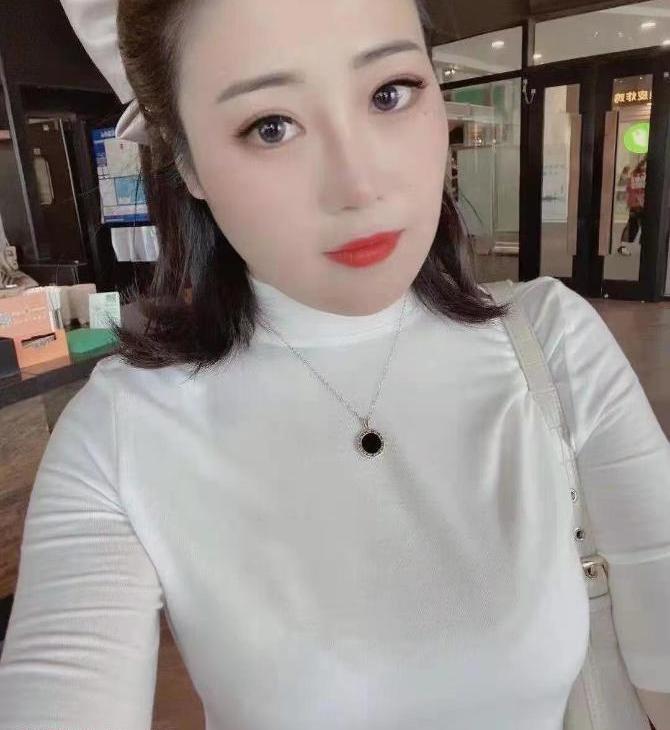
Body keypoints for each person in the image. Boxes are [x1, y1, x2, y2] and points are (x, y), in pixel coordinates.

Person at [1, 1, 670, 729]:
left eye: (390, 93)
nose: (359, 185)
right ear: (186, 161)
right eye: (271, 126)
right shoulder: (122, 433)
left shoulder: (551, 345)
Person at [618, 156, 647, 257]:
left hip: (635, 204)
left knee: (633, 225)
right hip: (640, 204)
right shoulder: (642, 175)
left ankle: (624, 246)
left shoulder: (634, 174)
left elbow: (626, 186)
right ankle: (641, 246)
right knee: (638, 225)